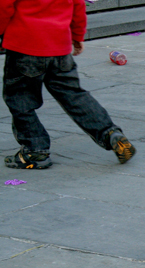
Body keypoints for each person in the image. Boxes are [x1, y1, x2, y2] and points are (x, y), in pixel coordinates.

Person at [0, 0, 135, 169]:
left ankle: (35, 150)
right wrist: (77, 36)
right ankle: (109, 133)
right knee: (74, 95)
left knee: (19, 97)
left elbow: (4, 7)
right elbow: (78, 5)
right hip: (60, 47)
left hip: (25, 45)